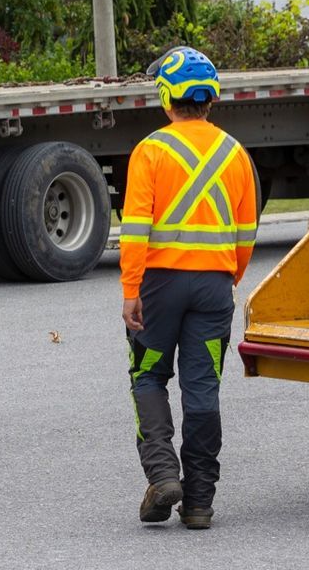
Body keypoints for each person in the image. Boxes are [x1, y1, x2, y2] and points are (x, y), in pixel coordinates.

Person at [118, 46, 259, 531]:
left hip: (160, 289)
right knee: (202, 388)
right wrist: (228, 278)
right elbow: (246, 235)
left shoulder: (152, 150)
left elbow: (135, 230)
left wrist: (131, 289)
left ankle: (162, 477)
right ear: (210, 100)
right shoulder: (235, 153)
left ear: (166, 96)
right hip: (215, 288)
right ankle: (199, 501)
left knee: (150, 376)